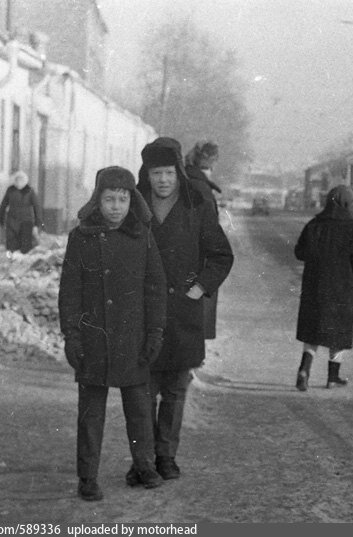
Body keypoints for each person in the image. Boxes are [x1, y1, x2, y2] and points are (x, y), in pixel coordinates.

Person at [58, 166, 167, 501]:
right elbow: (70, 292)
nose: (116, 206)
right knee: (91, 414)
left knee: (139, 407)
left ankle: (144, 465)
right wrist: (72, 337)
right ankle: (87, 477)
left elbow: (155, 288)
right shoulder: (82, 237)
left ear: (131, 200)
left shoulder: (142, 235)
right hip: (94, 340)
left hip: (132, 338)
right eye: (109, 199)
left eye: (122, 199)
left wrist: (155, 333)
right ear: (98, 200)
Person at [137, 137, 234, 481]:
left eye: (168, 172)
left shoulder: (197, 206)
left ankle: (167, 455)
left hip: (182, 314)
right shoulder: (136, 209)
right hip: (144, 316)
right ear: (146, 175)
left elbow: (221, 255)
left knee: (176, 390)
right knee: (143, 391)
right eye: (155, 173)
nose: (162, 180)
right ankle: (144, 459)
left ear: (178, 172)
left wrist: (200, 287)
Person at [294, 185, 353, 391]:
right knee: (338, 334)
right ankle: (332, 377)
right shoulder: (352, 228)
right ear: (347, 204)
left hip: (314, 288)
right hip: (340, 290)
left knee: (313, 332)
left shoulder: (314, 224)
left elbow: (299, 253)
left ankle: (304, 370)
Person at [184, 140, 224, 340]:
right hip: (200, 259)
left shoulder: (188, 179)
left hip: (191, 254)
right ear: (213, 162)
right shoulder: (202, 186)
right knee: (196, 315)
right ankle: (191, 366)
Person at [0, 170, 44, 256]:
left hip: (26, 222)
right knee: (11, 244)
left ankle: (23, 262)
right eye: (17, 180)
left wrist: (37, 224)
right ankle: (11, 261)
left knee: (25, 245)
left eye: (21, 180)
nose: (19, 182)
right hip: (12, 221)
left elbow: (36, 207)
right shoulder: (10, 190)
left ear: (25, 181)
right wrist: (1, 219)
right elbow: (4, 205)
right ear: (14, 180)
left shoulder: (29, 190)